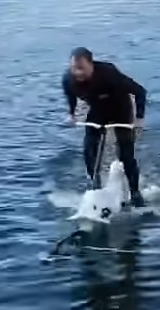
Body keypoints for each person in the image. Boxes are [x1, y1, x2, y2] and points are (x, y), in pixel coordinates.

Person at [62, 47, 147, 207]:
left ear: (91, 64)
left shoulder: (109, 73)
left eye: (82, 69)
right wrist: (72, 114)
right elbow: (71, 96)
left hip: (120, 109)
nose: (78, 73)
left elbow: (140, 91)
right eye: (74, 69)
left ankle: (135, 193)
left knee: (126, 154)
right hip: (98, 111)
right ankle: (96, 186)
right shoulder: (68, 79)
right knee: (89, 149)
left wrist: (139, 118)